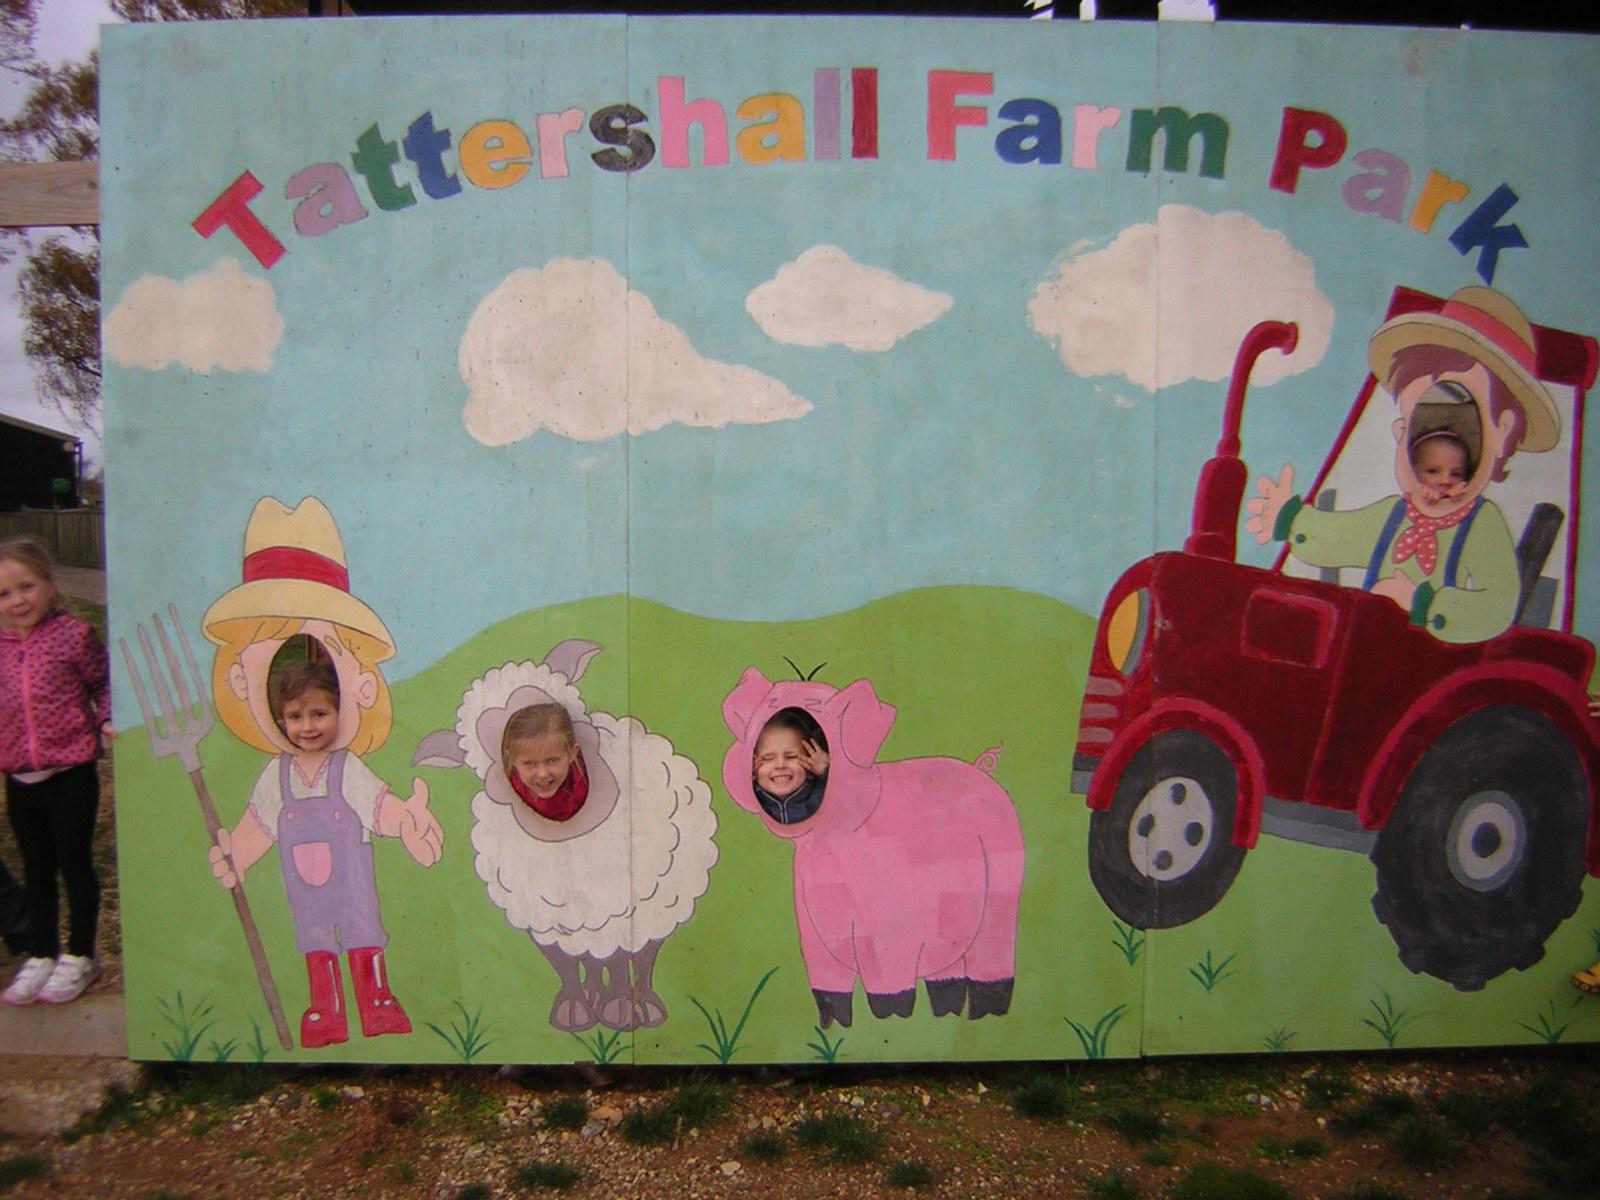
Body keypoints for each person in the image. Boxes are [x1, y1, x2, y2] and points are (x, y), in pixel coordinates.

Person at [202, 496, 442, 1049]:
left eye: (319, 714)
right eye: (295, 717)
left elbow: (377, 806)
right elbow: (259, 823)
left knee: (363, 935)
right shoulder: (276, 776)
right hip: (305, 892)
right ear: (279, 717)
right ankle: (324, 1012)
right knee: (314, 942)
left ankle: (377, 1003)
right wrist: (238, 854)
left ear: (342, 708)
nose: (307, 727)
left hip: (352, 886)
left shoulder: (345, 767)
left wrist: (405, 819)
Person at [1245, 286, 1561, 645]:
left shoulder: (1481, 524)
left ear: (1501, 433)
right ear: (1401, 434)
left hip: (1433, 654)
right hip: (1369, 643)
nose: (1441, 475)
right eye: (1417, 432)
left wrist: (1427, 605)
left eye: (1464, 435)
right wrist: (1290, 520)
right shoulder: (1395, 515)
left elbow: (1497, 605)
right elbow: (1340, 537)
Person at [0, 538, 110, 1006]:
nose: (17, 600)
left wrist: (107, 717)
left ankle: (82, 954)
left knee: (73, 862)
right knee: (37, 867)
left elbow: (104, 682)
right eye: (4, 593)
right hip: (20, 779)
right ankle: (42, 952)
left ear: (48, 584)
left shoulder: (74, 636)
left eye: (26, 586)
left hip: (71, 773)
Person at [501, 703, 589, 822]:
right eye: (529, 763)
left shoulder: (581, 784)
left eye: (552, 761)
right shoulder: (515, 785)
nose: (542, 774)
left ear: (572, 753)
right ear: (512, 759)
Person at [751, 708, 830, 825]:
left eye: (791, 756)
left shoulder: (821, 797)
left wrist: (826, 772)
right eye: (768, 758)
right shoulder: (748, 805)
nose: (780, 765)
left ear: (810, 764)